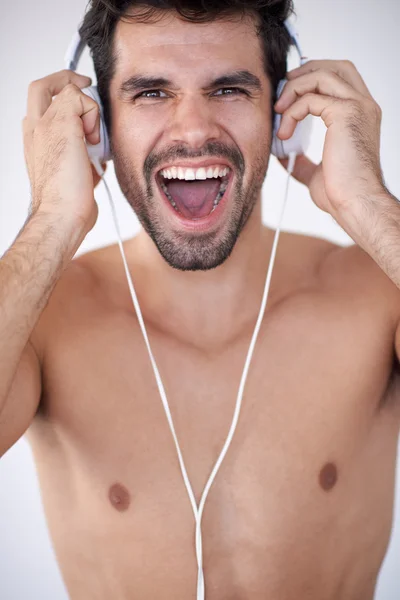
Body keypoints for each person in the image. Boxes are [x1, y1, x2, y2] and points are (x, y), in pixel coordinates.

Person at [2, 0, 400, 598]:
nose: (193, 130)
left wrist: (370, 209)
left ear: (283, 113)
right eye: (152, 93)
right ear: (101, 129)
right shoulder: (42, 318)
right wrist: (52, 219)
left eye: (229, 89)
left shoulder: (376, 296)